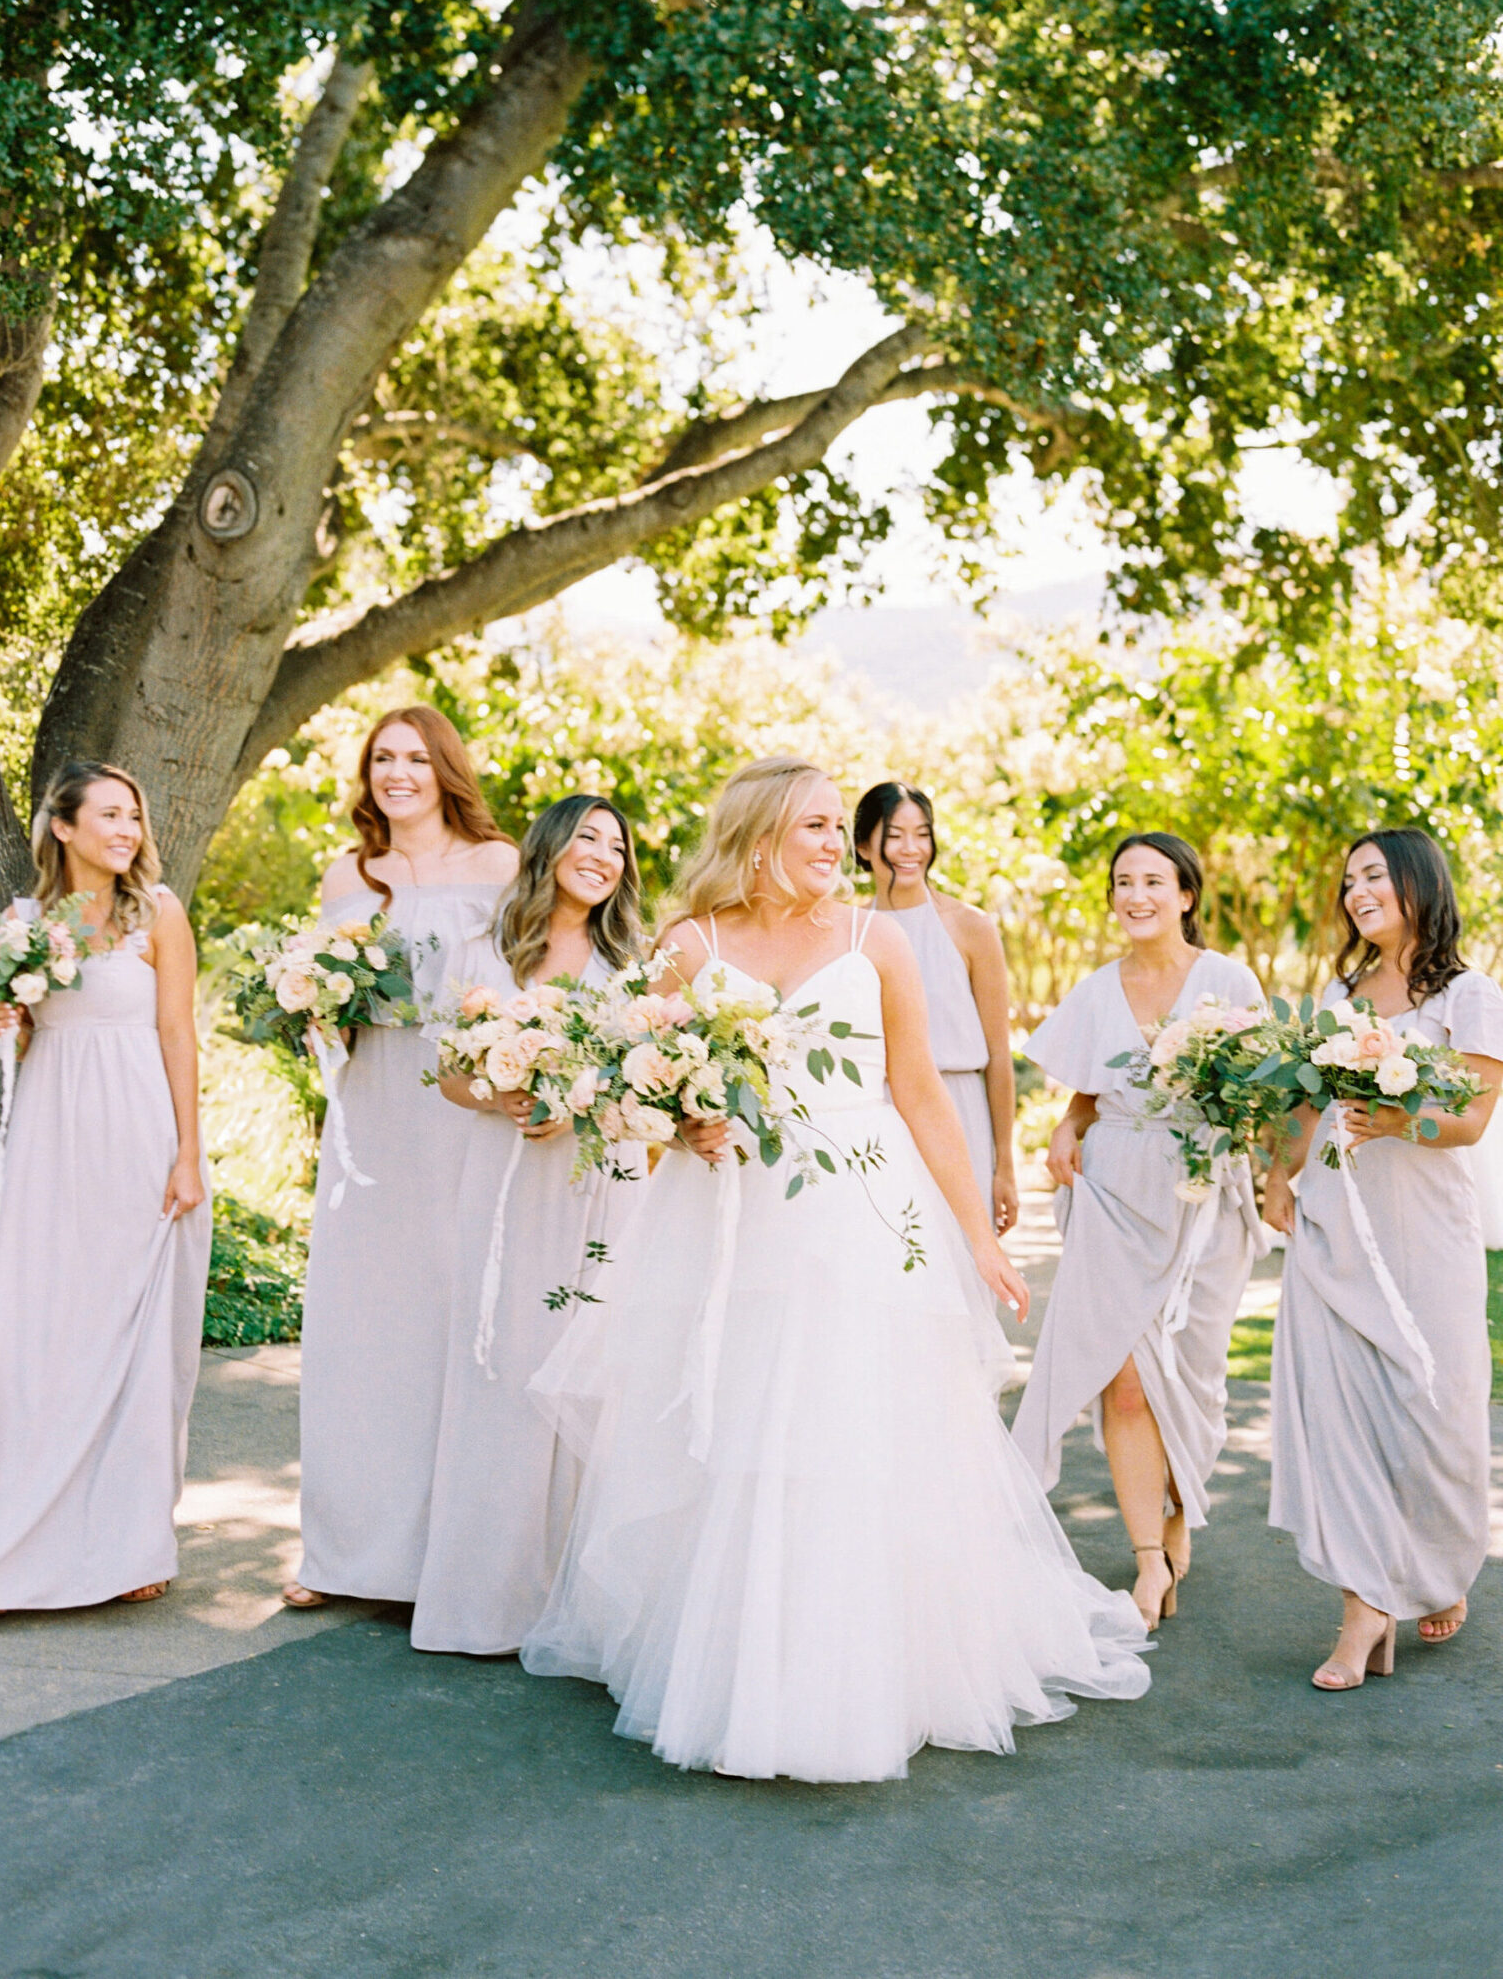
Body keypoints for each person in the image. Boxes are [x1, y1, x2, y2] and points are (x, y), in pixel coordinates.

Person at [520, 757, 1151, 1782]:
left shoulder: (878, 939)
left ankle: (864, 1668)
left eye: (832, 826)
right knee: (741, 1421)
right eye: (812, 825)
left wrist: (978, 1232)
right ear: (759, 834)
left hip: (863, 1211)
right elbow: (629, 1086)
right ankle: (738, 1661)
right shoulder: (690, 944)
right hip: (734, 1219)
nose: (832, 843)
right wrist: (688, 1122)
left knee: (854, 1424)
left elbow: (918, 1092)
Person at [0, 761, 210, 1619]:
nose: (128, 830)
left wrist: (189, 1154)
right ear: (64, 825)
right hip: (55, 1141)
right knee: (48, 1336)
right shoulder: (20, 925)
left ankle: (131, 1544)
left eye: (136, 816)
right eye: (111, 815)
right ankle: (16, 1542)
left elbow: (177, 1031)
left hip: (139, 1136)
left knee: (135, 1342)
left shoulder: (158, 912)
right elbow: (20, 1045)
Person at [284, 706, 518, 1610]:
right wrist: (312, 1008)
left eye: (416, 757)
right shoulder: (349, 871)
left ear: (445, 767)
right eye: (383, 757)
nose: (398, 772)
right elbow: (327, 990)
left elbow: (523, 978)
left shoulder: (496, 866)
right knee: (363, 1321)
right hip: (372, 1103)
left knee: (455, 1311)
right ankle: (343, 1555)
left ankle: (448, 1553)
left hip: (462, 1102)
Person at [1262, 829, 1502, 1690]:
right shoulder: (1340, 989)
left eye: (1373, 874)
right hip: (1337, 1207)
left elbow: (1470, 1121)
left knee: (1434, 1398)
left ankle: (1437, 1567)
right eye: (1349, 876)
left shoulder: (1469, 994)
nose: (1356, 889)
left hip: (1424, 1222)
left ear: (1415, 883)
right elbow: (1303, 1098)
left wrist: (1405, 1121)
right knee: (1340, 1404)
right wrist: (1279, 1174)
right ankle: (1364, 1608)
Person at [412, 796, 649, 1655]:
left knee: (593, 1373)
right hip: (507, 1182)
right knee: (503, 1366)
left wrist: (586, 1103)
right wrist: (500, 1094)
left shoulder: (632, 964)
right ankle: (489, 1600)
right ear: (549, 846)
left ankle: (580, 1604)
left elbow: (645, 1084)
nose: (603, 854)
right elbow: (444, 1073)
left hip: (601, 1184)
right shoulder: (482, 951)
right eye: (588, 835)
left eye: (618, 845)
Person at [1011, 834, 1267, 1628]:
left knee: (1193, 1381)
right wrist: (1068, 1123)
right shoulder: (1096, 990)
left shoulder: (1228, 981)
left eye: (1154, 880)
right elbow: (1090, 1088)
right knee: (1123, 1378)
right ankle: (1148, 1561)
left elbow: (1262, 1092)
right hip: (1115, 1191)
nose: (1137, 894)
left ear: (1186, 894)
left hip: (1200, 1201)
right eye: (1123, 881)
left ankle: (1180, 1511)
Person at [854, 780, 1019, 1235]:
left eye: (922, 833)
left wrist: (1004, 1165)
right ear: (864, 847)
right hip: (880, 1115)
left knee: (965, 1256)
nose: (911, 848)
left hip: (961, 1113)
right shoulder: (849, 933)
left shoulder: (970, 928)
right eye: (894, 834)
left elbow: (999, 1055)